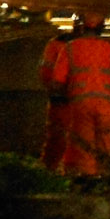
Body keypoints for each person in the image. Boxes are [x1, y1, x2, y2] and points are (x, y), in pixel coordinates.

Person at [47, 9, 110, 177]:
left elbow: (57, 82)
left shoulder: (69, 48)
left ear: (82, 27)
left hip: (80, 105)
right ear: (102, 28)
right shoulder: (109, 49)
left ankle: (87, 180)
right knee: (106, 143)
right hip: (106, 105)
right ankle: (105, 179)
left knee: (84, 145)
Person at [37, 19, 74, 172]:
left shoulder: (55, 45)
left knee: (57, 138)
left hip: (60, 100)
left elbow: (45, 74)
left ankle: (50, 170)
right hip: (74, 101)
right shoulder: (88, 47)